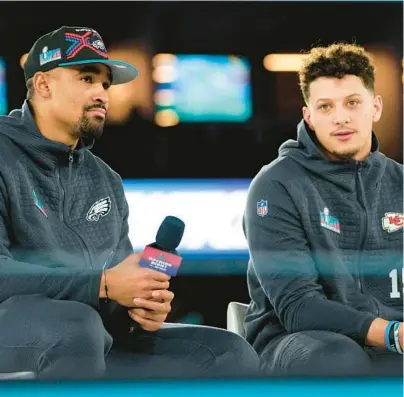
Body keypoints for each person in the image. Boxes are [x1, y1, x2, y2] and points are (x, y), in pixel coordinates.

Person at [0, 26, 259, 379]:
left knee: (228, 353)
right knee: (78, 328)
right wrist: (102, 284)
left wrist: (138, 306)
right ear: (43, 85)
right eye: (87, 78)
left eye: (106, 84)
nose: (102, 94)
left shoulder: (105, 179)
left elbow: (113, 294)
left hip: (88, 337)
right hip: (23, 329)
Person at [243, 43, 403, 376]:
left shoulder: (400, 181)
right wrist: (391, 334)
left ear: (375, 107)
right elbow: (299, 307)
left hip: (393, 338)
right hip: (299, 341)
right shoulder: (276, 185)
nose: (341, 117)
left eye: (353, 103)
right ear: (309, 117)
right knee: (338, 358)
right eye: (325, 106)